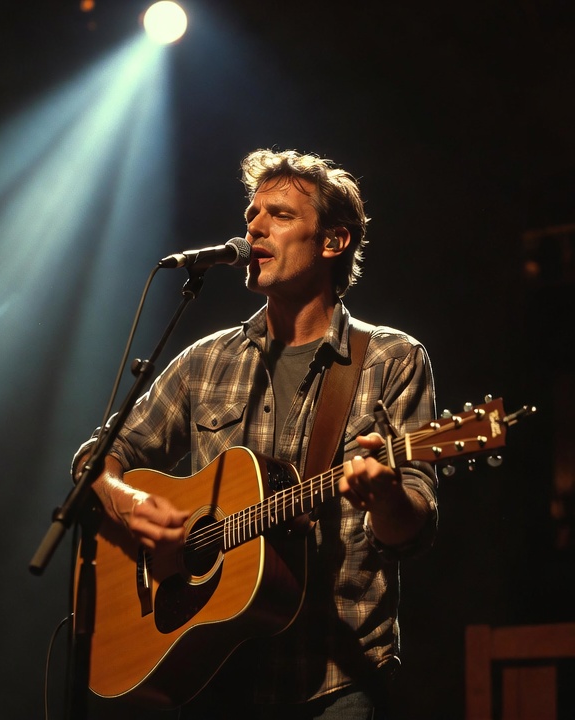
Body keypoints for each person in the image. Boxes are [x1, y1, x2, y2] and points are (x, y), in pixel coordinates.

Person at [74, 149, 437, 718]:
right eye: (251, 214)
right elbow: (96, 458)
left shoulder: (391, 359)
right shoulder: (207, 361)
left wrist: (387, 497)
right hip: (215, 676)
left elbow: (412, 531)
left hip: (336, 682)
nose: (254, 227)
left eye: (280, 215)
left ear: (334, 241)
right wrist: (129, 500)